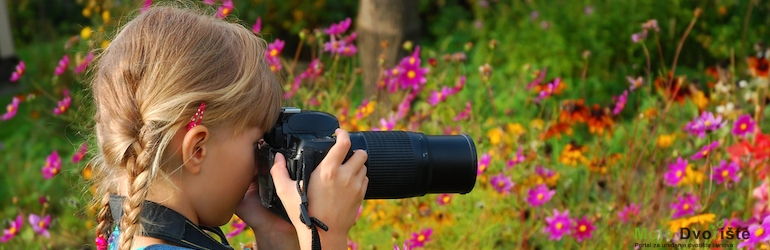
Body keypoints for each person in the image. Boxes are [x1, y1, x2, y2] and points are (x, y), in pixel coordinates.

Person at [88, 3, 368, 250]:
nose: (263, 162)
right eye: (257, 144)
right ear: (197, 149)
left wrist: (275, 234)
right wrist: (324, 236)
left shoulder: (134, 235)